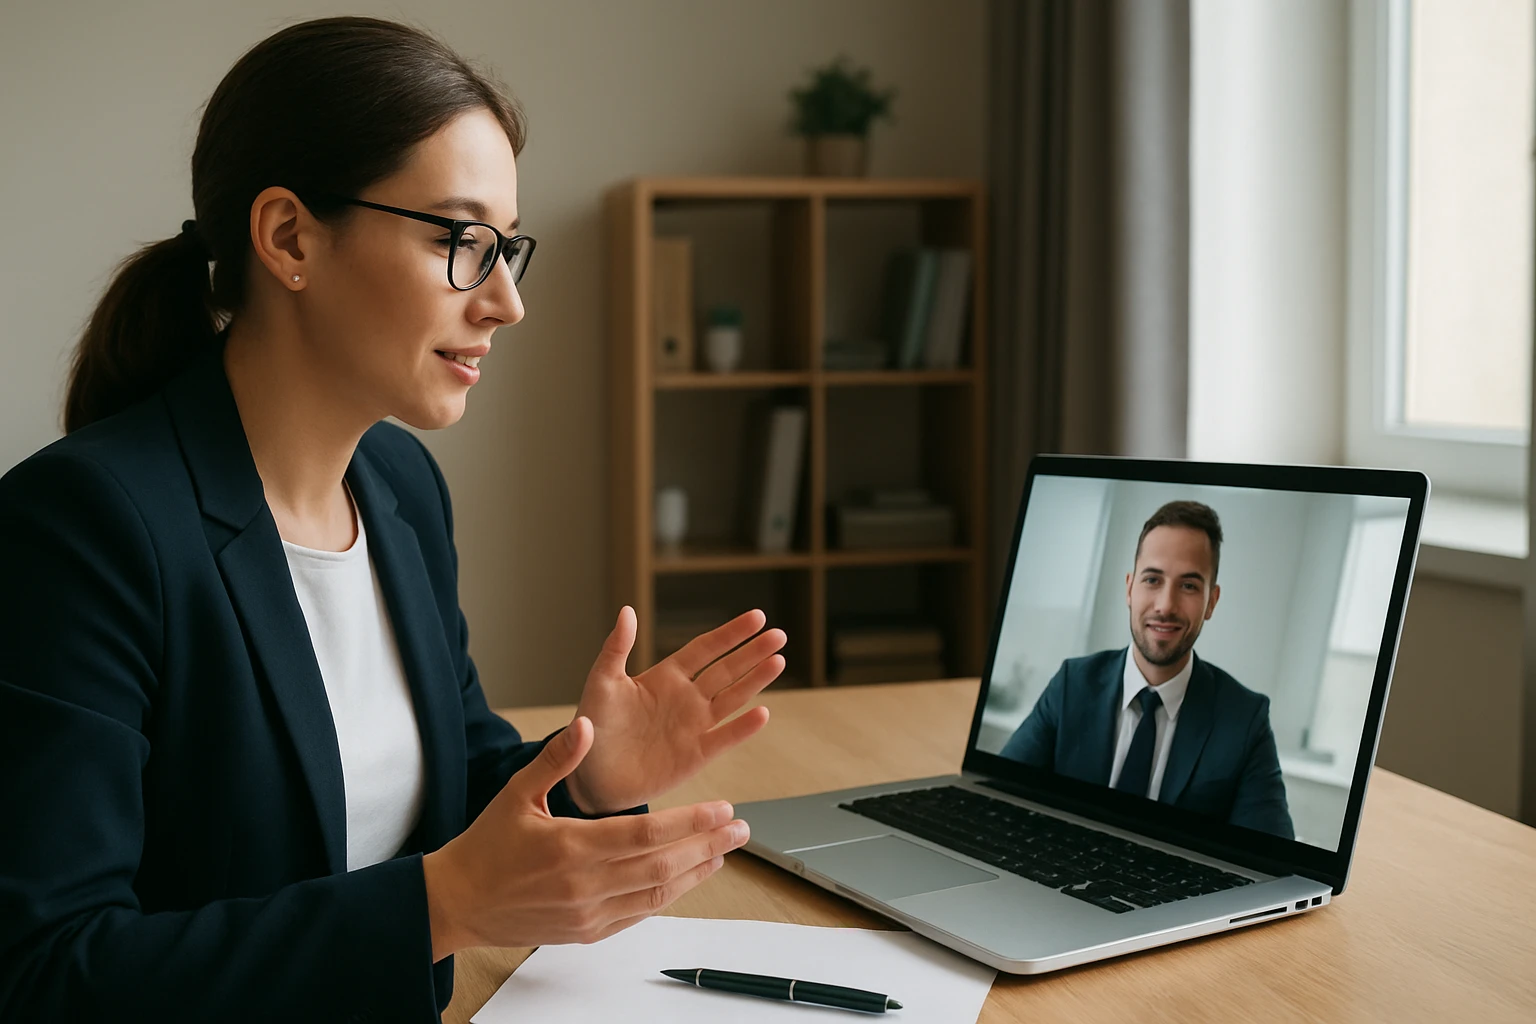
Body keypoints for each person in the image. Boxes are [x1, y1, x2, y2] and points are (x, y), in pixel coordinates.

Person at [0, 17, 785, 1020]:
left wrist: (590, 778)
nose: (505, 301)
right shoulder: (82, 530)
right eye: (461, 241)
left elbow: (445, 790)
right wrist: (437, 906)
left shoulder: (401, 485)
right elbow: (44, 975)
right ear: (289, 237)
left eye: (508, 249)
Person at [1000, 500, 1293, 839]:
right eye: (1153, 579)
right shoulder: (1072, 684)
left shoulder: (1245, 719)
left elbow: (1275, 860)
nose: (1165, 606)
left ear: (1211, 601)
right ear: (1129, 588)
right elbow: (998, 796)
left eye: (1188, 586)